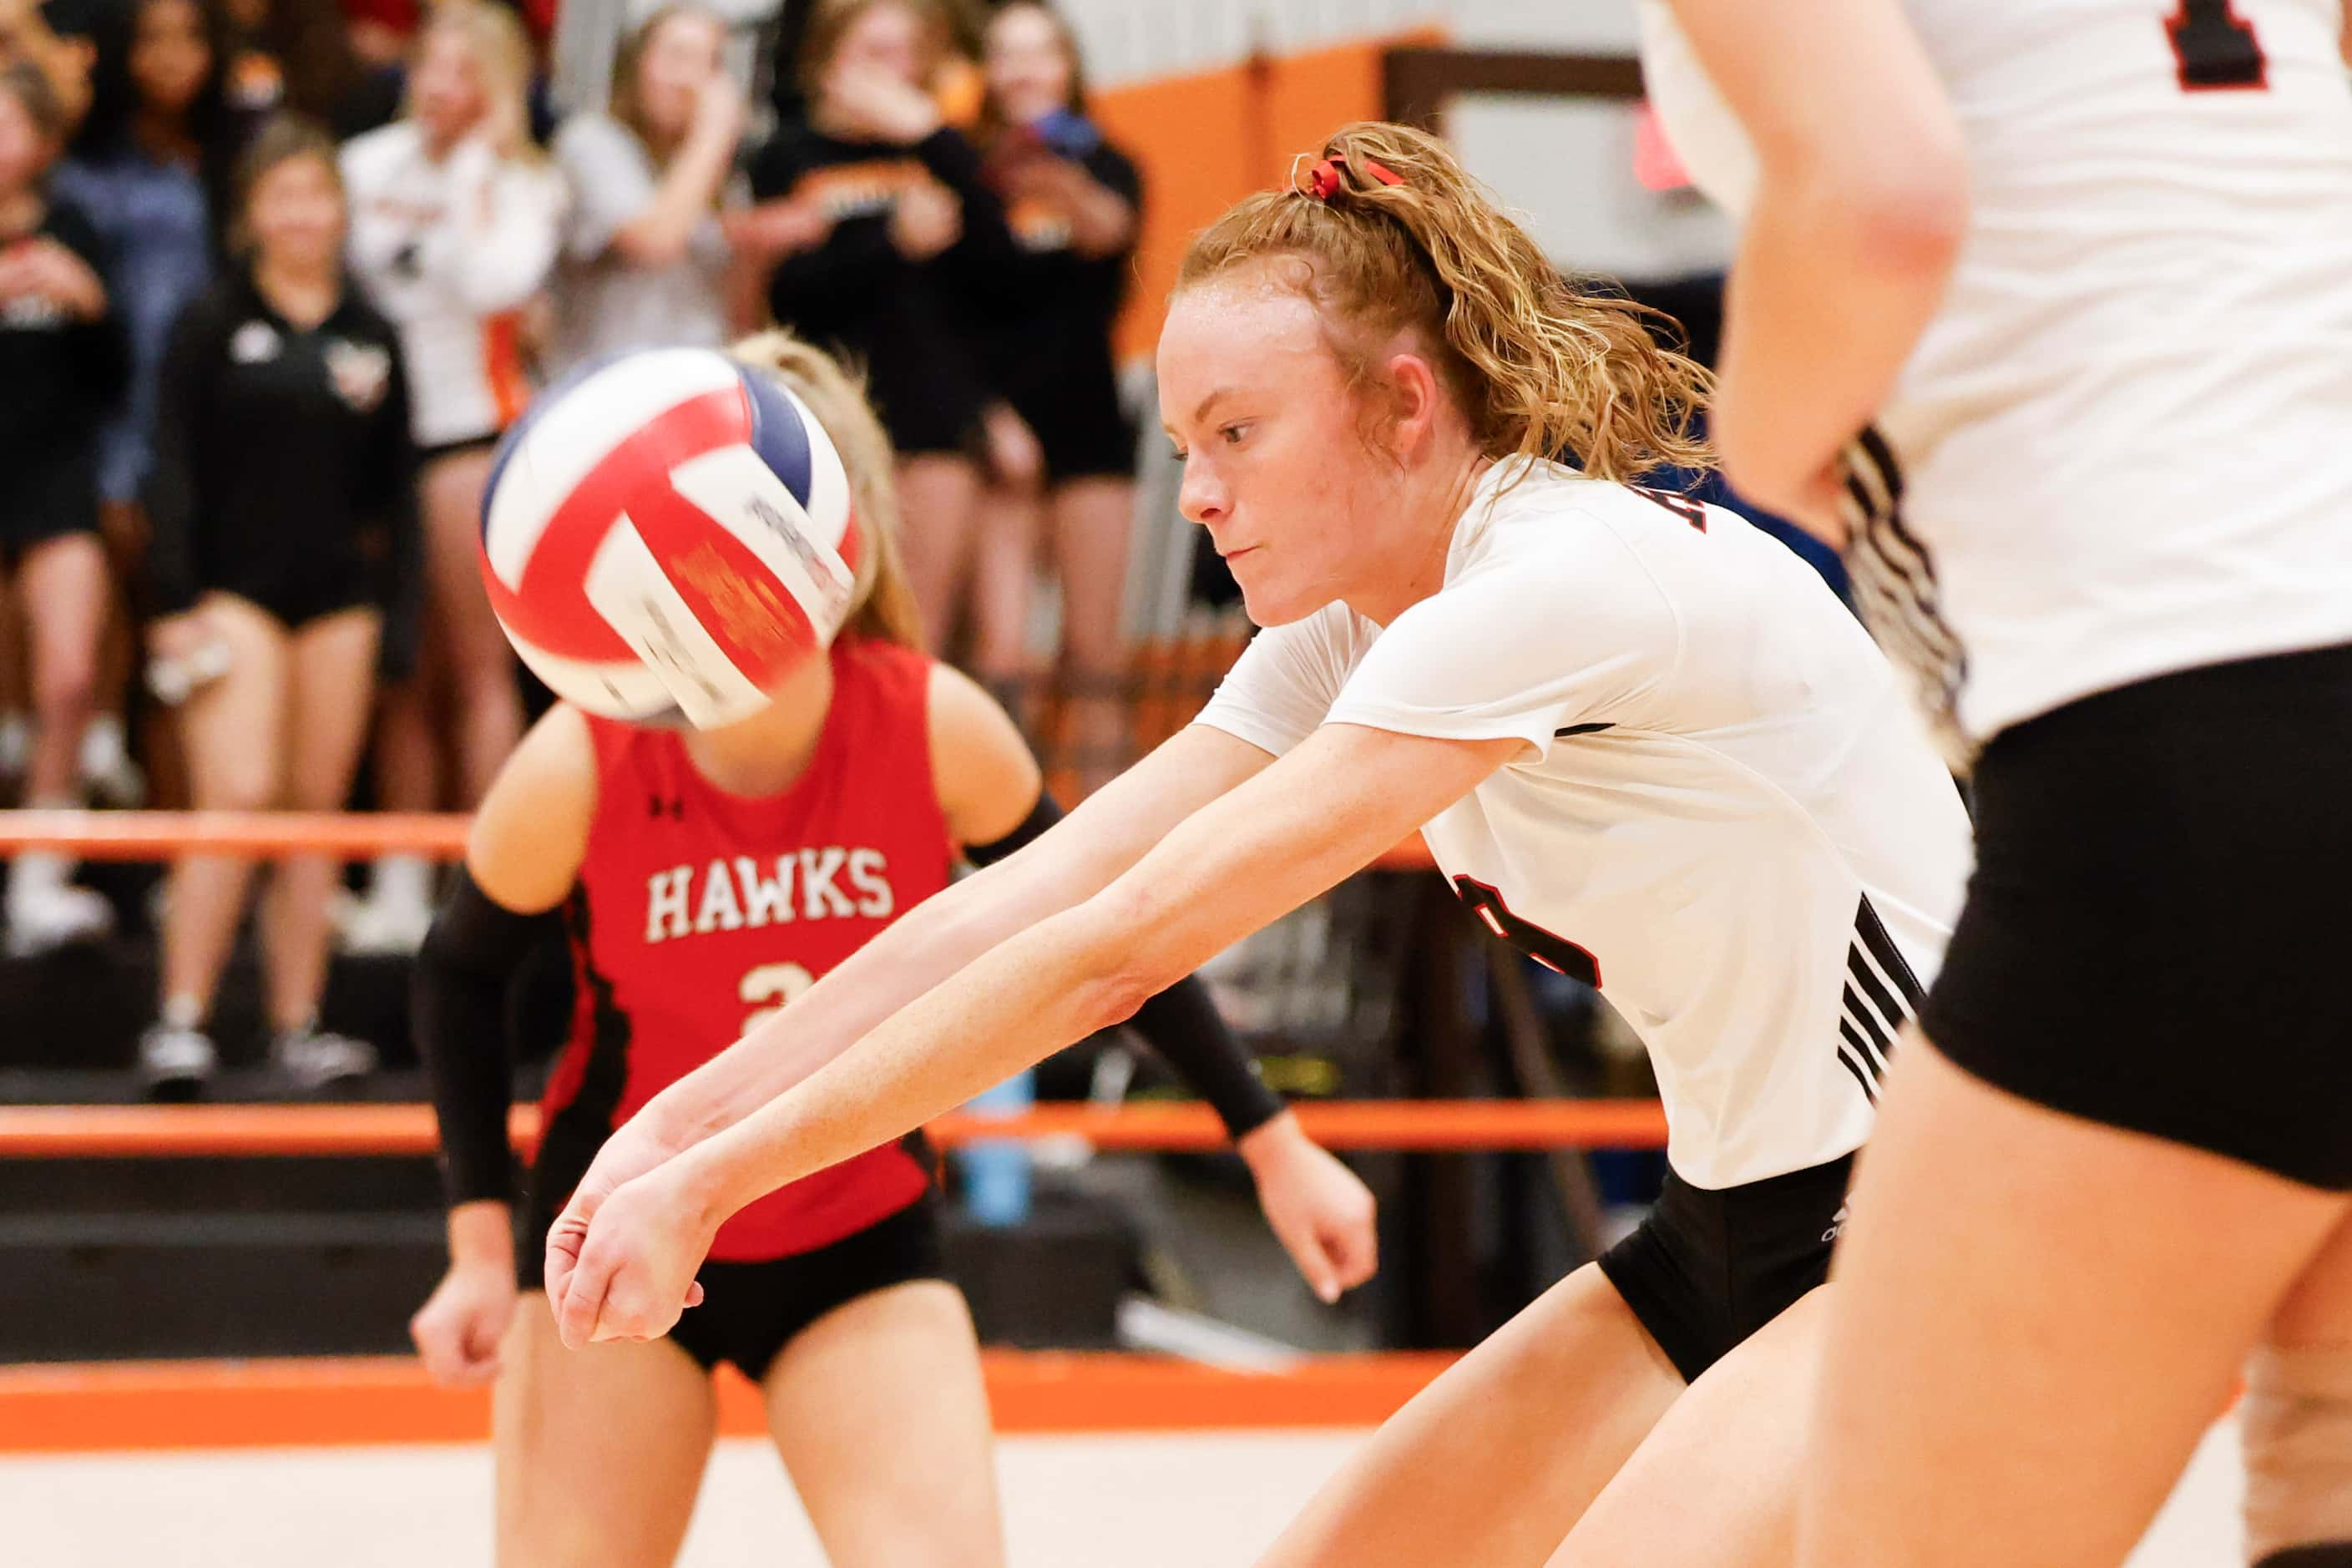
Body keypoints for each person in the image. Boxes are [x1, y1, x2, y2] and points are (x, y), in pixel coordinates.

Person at [531, 123, 1976, 1564]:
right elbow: (1010, 902)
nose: (1198, 492)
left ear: (1404, 407)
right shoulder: (1352, 621)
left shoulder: (1556, 583)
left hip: (1922, 1212)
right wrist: (669, 1126)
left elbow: (1112, 954)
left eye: (1236, 432)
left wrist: (714, 1186)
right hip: (1727, 1220)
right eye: (1177, 446)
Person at [407, 330, 1378, 1567]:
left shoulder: (929, 724)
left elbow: (1114, 923)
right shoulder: (584, 756)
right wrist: (480, 1250)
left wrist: (1273, 1141)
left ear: (827, 541)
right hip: (615, 1230)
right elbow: (456, 972)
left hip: (852, 1237)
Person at [1637, 3, 2352, 1564]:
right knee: (2320, 1482)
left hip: (2185, 748)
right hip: (2270, 662)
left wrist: (1763, 445)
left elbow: (1881, 191)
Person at [135, 114, 414, 1096]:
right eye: (283, 195)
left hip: (339, 599)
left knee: (314, 815)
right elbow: (168, 466)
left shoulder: (371, 332)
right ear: (251, 212)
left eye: (319, 193)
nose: (304, 214)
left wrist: (398, 617)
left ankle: (299, 1024)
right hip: (233, 594)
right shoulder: (212, 321)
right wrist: (171, 599)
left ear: (343, 209)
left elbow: (396, 494)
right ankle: (181, 1020)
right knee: (238, 799)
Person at [341, 0, 563, 953]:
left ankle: (496, 884)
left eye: (465, 73)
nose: (441, 87)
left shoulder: (521, 183)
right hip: (367, 441)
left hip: (470, 435)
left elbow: (492, 285)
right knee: (402, 675)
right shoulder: (363, 164)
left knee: (478, 673)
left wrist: (473, 168)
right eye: (431, 65)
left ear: (498, 86)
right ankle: (399, 885)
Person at [747, 0, 1017, 657]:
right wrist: (891, 244)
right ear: (829, 59)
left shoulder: (939, 152)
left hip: (932, 411)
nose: (887, 69)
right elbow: (786, 292)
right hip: (826, 410)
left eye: (903, 52)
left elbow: (1000, 262)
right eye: (870, 50)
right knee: (828, 624)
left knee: (914, 632)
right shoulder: (788, 154)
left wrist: (931, 133)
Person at [54, 0, 239, 811]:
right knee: (118, 596)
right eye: (152, 39)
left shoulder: (233, 153)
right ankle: (93, 751)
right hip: (115, 412)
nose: (171, 57)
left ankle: (182, 834)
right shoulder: (91, 170)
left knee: (193, 637)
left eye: (190, 37)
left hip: (228, 418)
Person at [969, 0, 1141, 785]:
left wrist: (1058, 181)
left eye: (1040, 53)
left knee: (1096, 656)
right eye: (1008, 54)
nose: (1025, 70)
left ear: (1067, 67)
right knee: (1007, 658)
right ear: (987, 71)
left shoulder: (1105, 162)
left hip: (1087, 424)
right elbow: (943, 316)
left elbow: (1112, 230)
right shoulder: (966, 174)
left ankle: (1113, 854)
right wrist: (991, 423)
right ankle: (1002, 838)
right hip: (998, 434)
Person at [0, 58, 124, 954]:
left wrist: (91, 306)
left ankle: (41, 880)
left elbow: (117, 378)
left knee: (71, 674)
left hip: (55, 477)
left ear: (43, 142)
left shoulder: (78, 226)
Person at [544, 3, 826, 379]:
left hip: (703, 376)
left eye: (708, 63)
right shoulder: (592, 141)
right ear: (635, 63)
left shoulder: (718, 170)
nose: (689, 79)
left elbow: (738, 312)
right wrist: (713, 132)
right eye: (676, 56)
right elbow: (656, 241)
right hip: (609, 382)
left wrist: (758, 247)